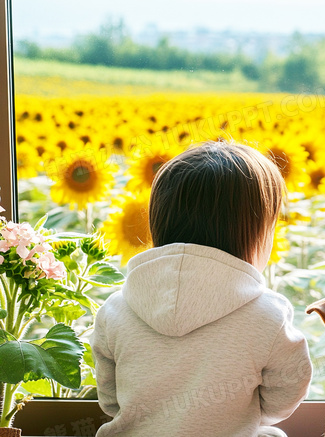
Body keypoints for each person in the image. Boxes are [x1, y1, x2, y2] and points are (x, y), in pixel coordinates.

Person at [91, 141, 312, 437]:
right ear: (257, 233)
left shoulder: (115, 309)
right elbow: (284, 397)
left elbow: (110, 400)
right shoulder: (269, 314)